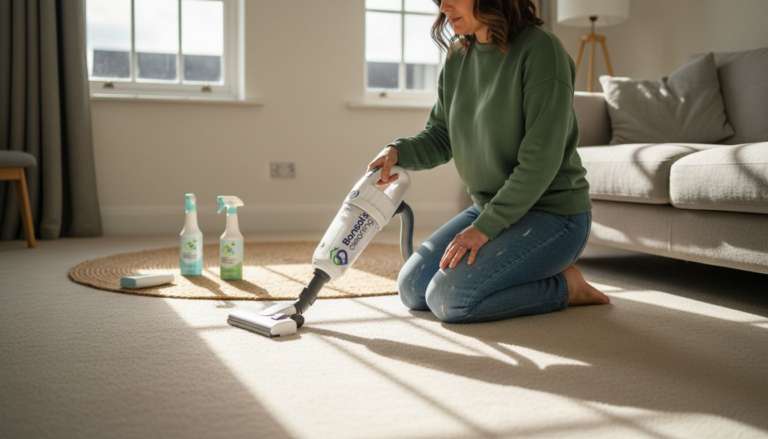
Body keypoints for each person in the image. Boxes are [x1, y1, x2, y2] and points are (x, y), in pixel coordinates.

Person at [366, 0, 610, 324]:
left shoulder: (541, 51)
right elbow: (441, 136)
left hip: (554, 215)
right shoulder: (457, 58)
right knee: (412, 288)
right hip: (490, 206)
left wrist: (483, 229)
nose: (444, 6)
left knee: (450, 300)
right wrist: (397, 152)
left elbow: (540, 161)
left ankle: (566, 287)